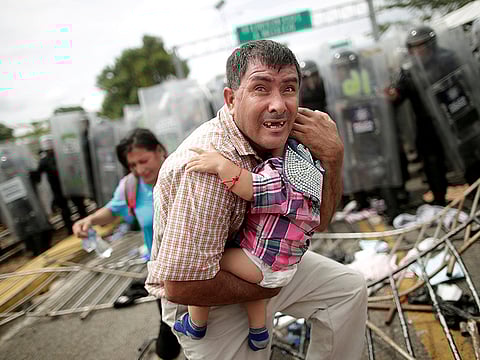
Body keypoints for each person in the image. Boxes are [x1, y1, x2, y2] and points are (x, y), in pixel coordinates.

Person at [146, 40, 367, 359]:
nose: (278, 105)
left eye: (288, 88)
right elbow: (182, 285)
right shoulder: (206, 167)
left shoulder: (290, 138)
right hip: (207, 297)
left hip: (264, 260)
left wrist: (333, 157)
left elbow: (317, 220)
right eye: (261, 88)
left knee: (347, 289)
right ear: (231, 99)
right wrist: (269, 286)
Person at [173, 137, 324, 351]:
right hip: (284, 266)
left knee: (203, 265)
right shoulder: (311, 180)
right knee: (255, 288)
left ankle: (196, 323)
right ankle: (258, 331)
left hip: (261, 263)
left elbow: (252, 188)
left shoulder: (282, 178)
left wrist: (220, 164)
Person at [72, 128, 181, 360]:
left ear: (160, 151)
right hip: (164, 276)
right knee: (170, 332)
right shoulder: (131, 186)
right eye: (132, 165)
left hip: (201, 269)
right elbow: (112, 210)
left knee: (204, 332)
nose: (140, 169)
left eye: (144, 160)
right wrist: (89, 220)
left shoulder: (183, 172)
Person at [386, 25, 460, 206]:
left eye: (423, 45)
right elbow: (398, 95)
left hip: (455, 116)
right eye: (415, 47)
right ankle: (439, 200)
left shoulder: (447, 59)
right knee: (432, 161)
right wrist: (391, 94)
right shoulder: (408, 71)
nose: (419, 50)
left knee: (468, 155)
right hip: (427, 122)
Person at [32, 135, 85, 235]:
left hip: (58, 189)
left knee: (65, 210)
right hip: (70, 184)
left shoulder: (44, 161)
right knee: (79, 205)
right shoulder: (63, 155)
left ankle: (71, 230)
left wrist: (31, 174)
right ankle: (85, 223)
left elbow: (37, 177)